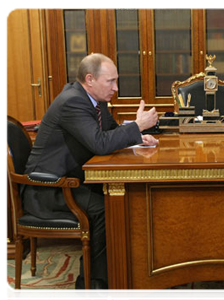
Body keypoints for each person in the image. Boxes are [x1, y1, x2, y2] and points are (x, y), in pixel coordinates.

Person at [21, 53, 159, 299]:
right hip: (46, 189)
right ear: (90, 79)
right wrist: (137, 126)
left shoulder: (95, 100)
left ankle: (128, 272)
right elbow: (99, 143)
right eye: (111, 82)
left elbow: (111, 132)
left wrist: (138, 137)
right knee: (106, 208)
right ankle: (92, 282)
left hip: (71, 180)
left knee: (124, 199)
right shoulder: (73, 102)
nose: (116, 88)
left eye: (116, 81)